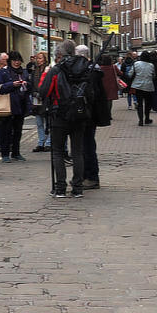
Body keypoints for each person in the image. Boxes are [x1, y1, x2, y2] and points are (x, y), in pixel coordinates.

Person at [39, 40, 95, 197]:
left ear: (59, 55)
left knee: (57, 152)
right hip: (79, 114)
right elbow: (91, 94)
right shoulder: (85, 68)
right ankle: (77, 188)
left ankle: (60, 188)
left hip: (59, 114)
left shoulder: (56, 70)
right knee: (77, 152)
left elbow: (43, 91)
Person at [77, 46, 114, 190]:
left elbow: (92, 94)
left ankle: (91, 177)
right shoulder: (93, 69)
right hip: (89, 113)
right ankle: (87, 176)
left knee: (87, 146)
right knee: (86, 145)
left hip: (87, 114)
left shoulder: (90, 71)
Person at [0, 51, 31, 163]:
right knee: (6, 131)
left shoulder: (24, 72)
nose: (17, 62)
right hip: (8, 105)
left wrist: (26, 84)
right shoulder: (4, 72)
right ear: (10, 61)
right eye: (14, 60)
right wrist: (12, 84)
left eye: (19, 60)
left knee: (18, 131)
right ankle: (5, 154)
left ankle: (16, 152)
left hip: (21, 105)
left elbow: (30, 85)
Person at [28, 51, 52, 152]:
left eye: (40, 58)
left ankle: (48, 142)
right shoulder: (35, 70)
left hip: (46, 99)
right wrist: (34, 93)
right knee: (39, 122)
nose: (38, 60)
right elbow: (32, 83)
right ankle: (41, 142)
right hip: (36, 98)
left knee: (48, 122)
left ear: (45, 59)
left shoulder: (49, 70)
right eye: (37, 58)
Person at [129, 50, 156, 126]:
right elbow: (154, 75)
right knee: (148, 104)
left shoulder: (136, 64)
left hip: (138, 86)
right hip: (148, 86)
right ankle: (147, 118)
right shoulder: (151, 65)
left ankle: (140, 120)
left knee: (140, 103)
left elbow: (130, 74)